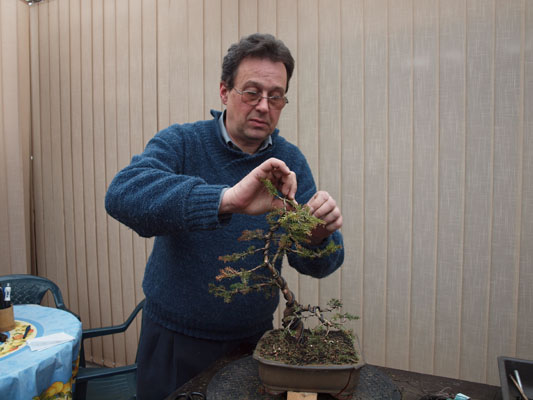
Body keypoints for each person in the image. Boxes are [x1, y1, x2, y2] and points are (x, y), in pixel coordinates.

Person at [105, 33, 344, 399]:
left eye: (276, 96)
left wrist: (317, 237)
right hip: (173, 340)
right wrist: (225, 200)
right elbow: (123, 194)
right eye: (251, 92)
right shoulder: (182, 143)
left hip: (254, 343)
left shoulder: (289, 160)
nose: (264, 106)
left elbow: (320, 264)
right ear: (223, 92)